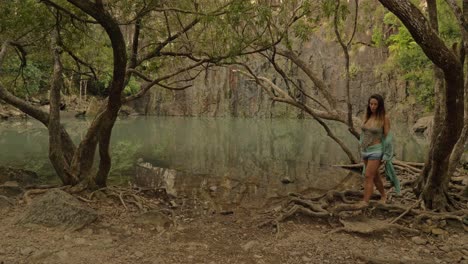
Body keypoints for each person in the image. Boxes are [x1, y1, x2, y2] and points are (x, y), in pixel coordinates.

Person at [359, 94, 390, 205]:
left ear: (380, 105)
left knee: (368, 176)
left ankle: (365, 202)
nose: (372, 106)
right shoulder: (367, 116)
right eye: (371, 104)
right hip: (365, 150)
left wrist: (386, 155)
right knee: (375, 175)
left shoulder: (384, 118)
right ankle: (383, 196)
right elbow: (363, 133)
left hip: (377, 150)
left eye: (375, 104)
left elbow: (387, 137)